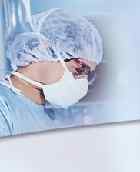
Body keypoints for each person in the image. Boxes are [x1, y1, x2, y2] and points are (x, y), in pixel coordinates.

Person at [0, 8, 103, 137]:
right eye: (81, 68)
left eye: (88, 74)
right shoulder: (4, 108)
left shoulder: (49, 115)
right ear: (45, 47)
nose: (82, 80)